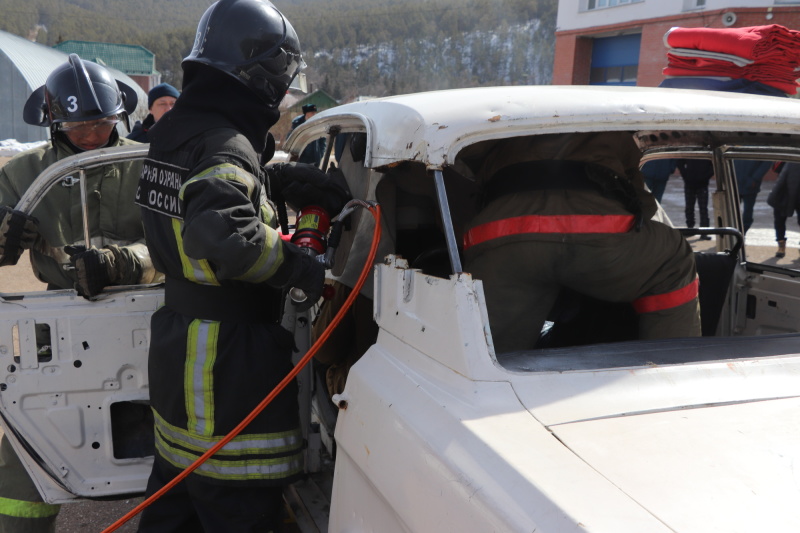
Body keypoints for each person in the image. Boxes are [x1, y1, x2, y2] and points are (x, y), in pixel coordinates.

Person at [133, 1, 348, 531]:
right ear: (268, 74)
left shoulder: (178, 130)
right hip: (225, 367)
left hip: (182, 351)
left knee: (176, 504)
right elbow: (222, 232)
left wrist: (272, 183)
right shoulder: (224, 144)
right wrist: (304, 270)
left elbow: (196, 202)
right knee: (236, 505)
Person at [0, 54, 159, 533]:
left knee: (160, 454)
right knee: (30, 460)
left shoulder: (148, 165)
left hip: (148, 320)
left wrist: (128, 262)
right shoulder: (22, 173)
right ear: (52, 120)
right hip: (57, 331)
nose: (92, 135)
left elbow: (181, 240)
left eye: (101, 122)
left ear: (120, 116)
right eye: (78, 125)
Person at [463, 132, 701, 354]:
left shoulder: (501, 138)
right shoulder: (609, 130)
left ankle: (485, 383)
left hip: (502, 239)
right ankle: (670, 363)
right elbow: (643, 207)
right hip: (597, 233)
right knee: (672, 262)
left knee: (491, 348)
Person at [767, 162, 800, 258]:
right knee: (779, 220)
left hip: (794, 192)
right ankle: (781, 245)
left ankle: (781, 246)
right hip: (784, 191)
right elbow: (775, 168)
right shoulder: (786, 156)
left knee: (780, 220)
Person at [676, 158, 713, 239]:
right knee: (689, 207)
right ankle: (690, 229)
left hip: (703, 184)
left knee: (703, 209)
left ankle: (704, 232)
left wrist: (706, 176)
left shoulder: (706, 152)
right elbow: (680, 162)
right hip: (689, 183)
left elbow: (713, 165)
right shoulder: (690, 150)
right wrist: (686, 175)